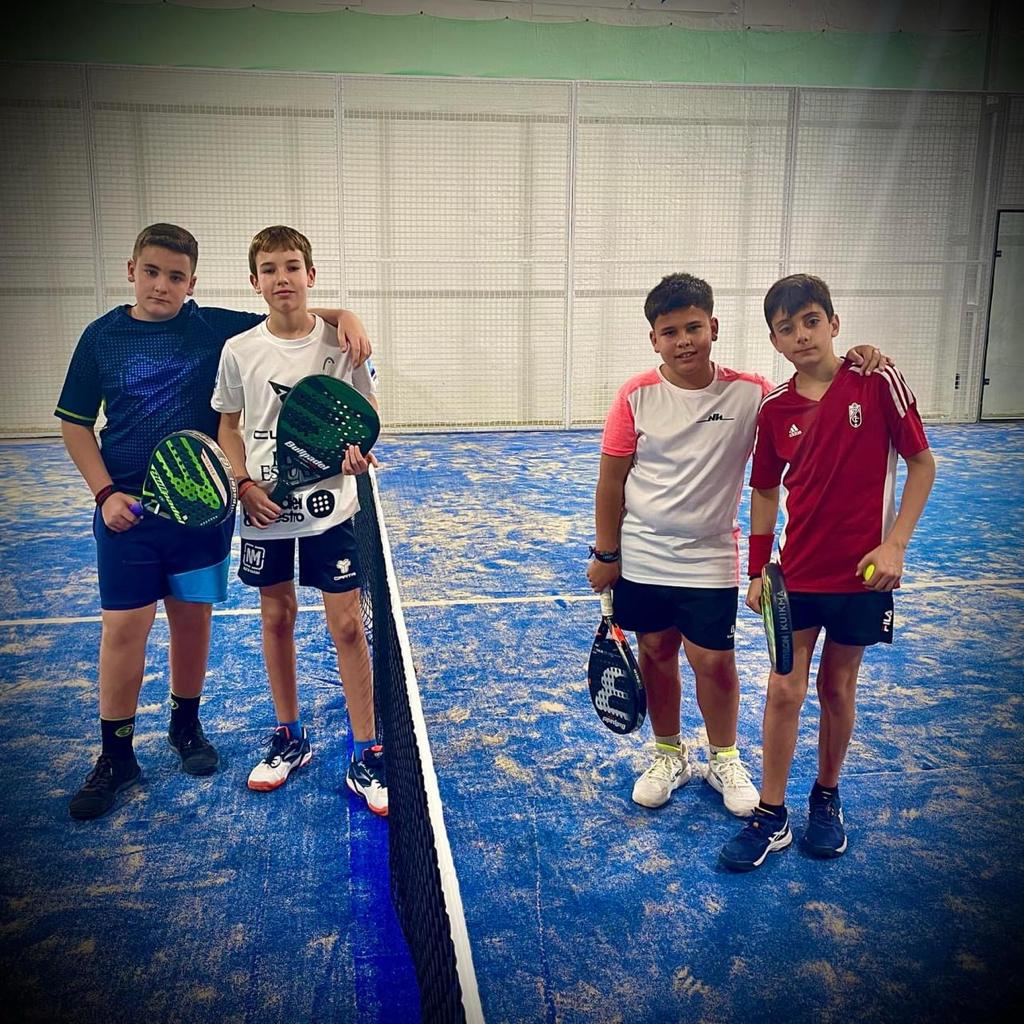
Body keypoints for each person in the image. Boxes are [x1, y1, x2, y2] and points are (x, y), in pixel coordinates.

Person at [56, 223, 372, 821]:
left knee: (192, 621)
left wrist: (348, 313)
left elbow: (287, 307)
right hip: (129, 510)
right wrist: (103, 495)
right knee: (124, 629)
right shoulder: (101, 338)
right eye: (151, 272)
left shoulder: (211, 326)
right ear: (131, 271)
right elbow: (75, 424)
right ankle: (115, 754)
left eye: (175, 276)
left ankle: (186, 729)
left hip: (202, 508)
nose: (162, 285)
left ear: (192, 283)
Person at [586, 273, 887, 819]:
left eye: (694, 327)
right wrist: (607, 555)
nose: (684, 340)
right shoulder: (635, 395)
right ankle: (668, 754)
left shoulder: (750, 392)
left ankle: (724, 756)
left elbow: (812, 383)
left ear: (714, 328)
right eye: (670, 331)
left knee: (715, 662)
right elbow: (611, 481)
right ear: (654, 339)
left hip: (709, 559)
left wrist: (860, 357)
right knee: (656, 652)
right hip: (643, 555)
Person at [719, 273, 935, 871]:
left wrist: (894, 547)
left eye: (811, 320)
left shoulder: (877, 381)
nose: (801, 335)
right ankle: (771, 813)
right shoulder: (774, 409)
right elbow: (763, 490)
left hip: (865, 576)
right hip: (797, 577)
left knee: (837, 687)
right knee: (783, 688)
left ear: (834, 324)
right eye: (786, 328)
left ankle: (827, 797)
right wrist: (759, 568)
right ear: (775, 340)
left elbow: (922, 465)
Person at [212, 225, 387, 816]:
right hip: (264, 509)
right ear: (254, 281)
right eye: (269, 269)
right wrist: (241, 485)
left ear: (311, 276)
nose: (281, 278)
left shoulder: (343, 340)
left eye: (292, 266)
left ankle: (367, 750)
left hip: (330, 508)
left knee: (347, 628)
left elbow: (363, 416)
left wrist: (355, 457)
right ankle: (289, 737)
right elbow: (229, 426)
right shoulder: (238, 350)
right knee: (277, 618)